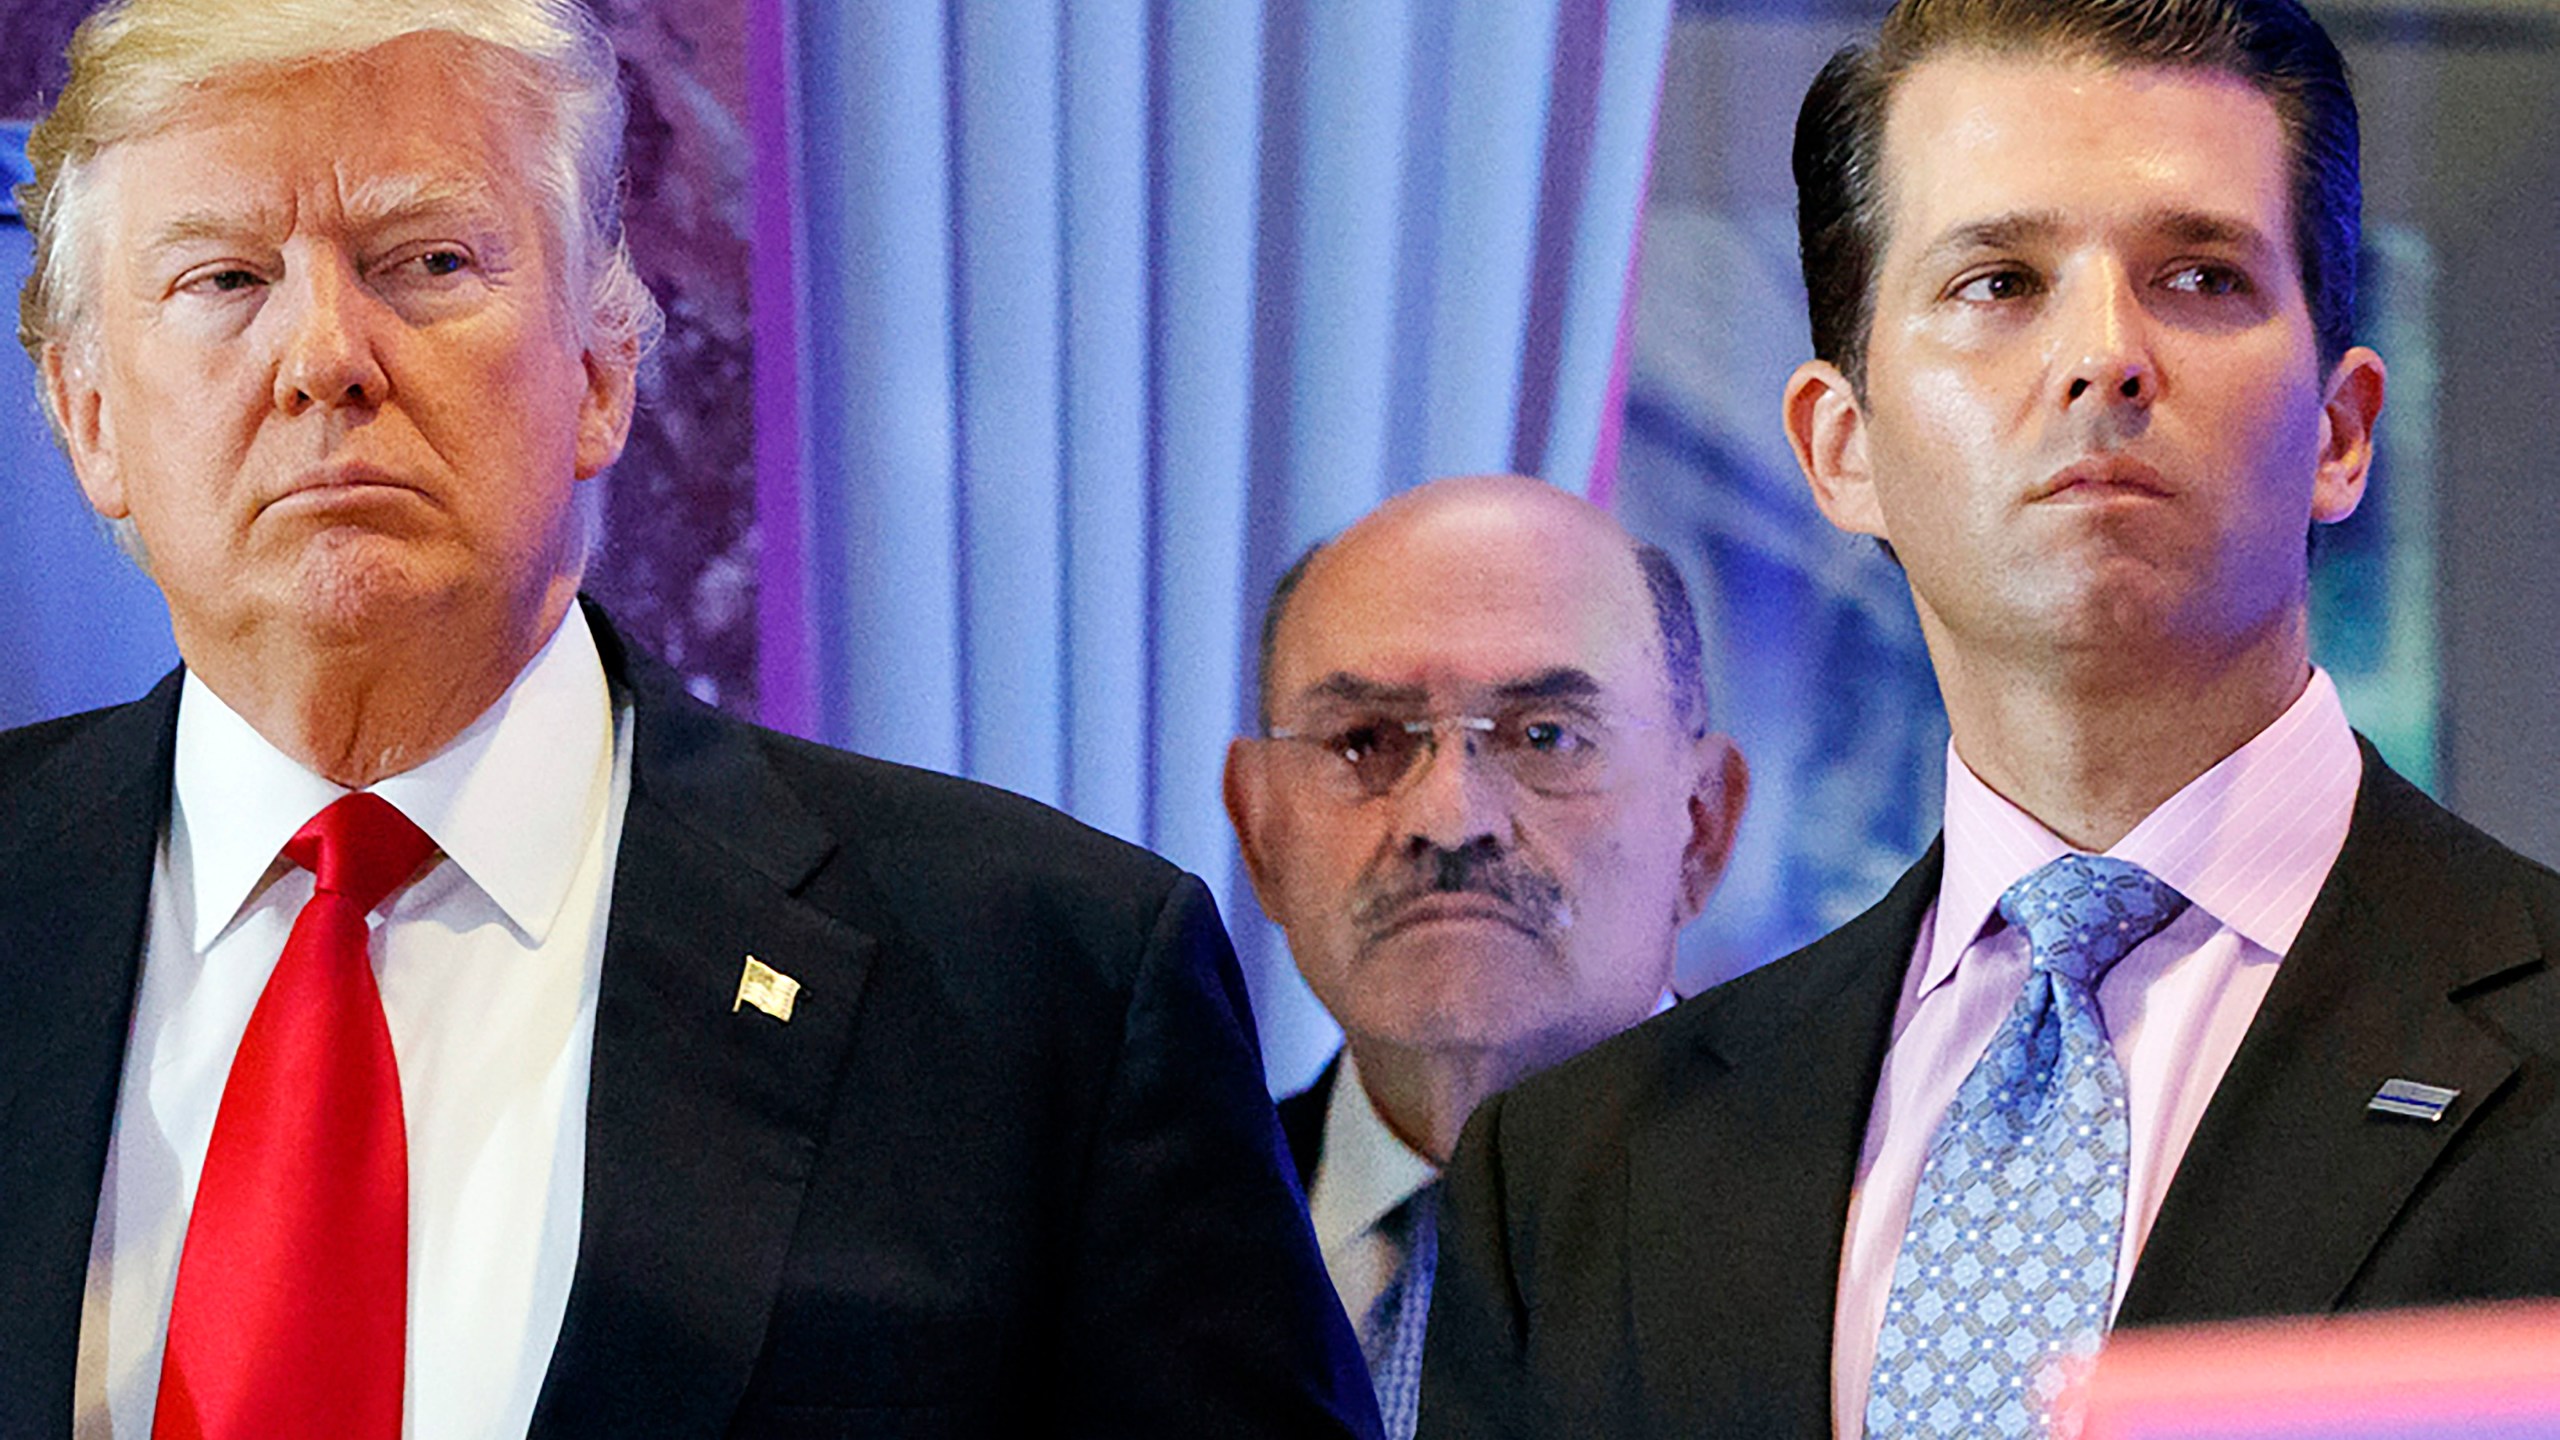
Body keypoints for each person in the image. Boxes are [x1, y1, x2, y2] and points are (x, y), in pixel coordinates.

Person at [0, 3, 1377, 1437]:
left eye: (427, 264)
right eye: (225, 278)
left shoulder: (1048, 982)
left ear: (602, 365)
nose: (327, 356)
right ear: (88, 411)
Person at [1419, 2, 2560, 1438]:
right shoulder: (1578, 1175)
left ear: (2340, 431)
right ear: (1844, 449)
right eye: (1999, 282)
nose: (2104, 356)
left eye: (2200, 276)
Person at [1225, 475, 1748, 1440]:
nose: (1449, 818)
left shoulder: (1859, 1237)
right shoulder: (1143, 1258)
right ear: (1259, 832)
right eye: (1364, 741)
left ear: (1702, 825)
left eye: (1546, 736)